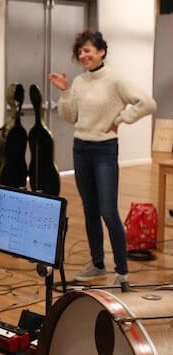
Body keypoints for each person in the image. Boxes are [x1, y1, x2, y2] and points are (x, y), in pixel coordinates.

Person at [48, 30, 156, 285]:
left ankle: (122, 271)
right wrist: (64, 93)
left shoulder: (115, 79)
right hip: (80, 148)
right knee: (90, 210)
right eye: (80, 52)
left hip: (104, 150)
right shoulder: (79, 81)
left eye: (88, 50)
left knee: (108, 211)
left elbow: (147, 103)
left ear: (101, 51)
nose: (83, 56)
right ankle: (97, 265)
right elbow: (70, 117)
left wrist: (121, 119)